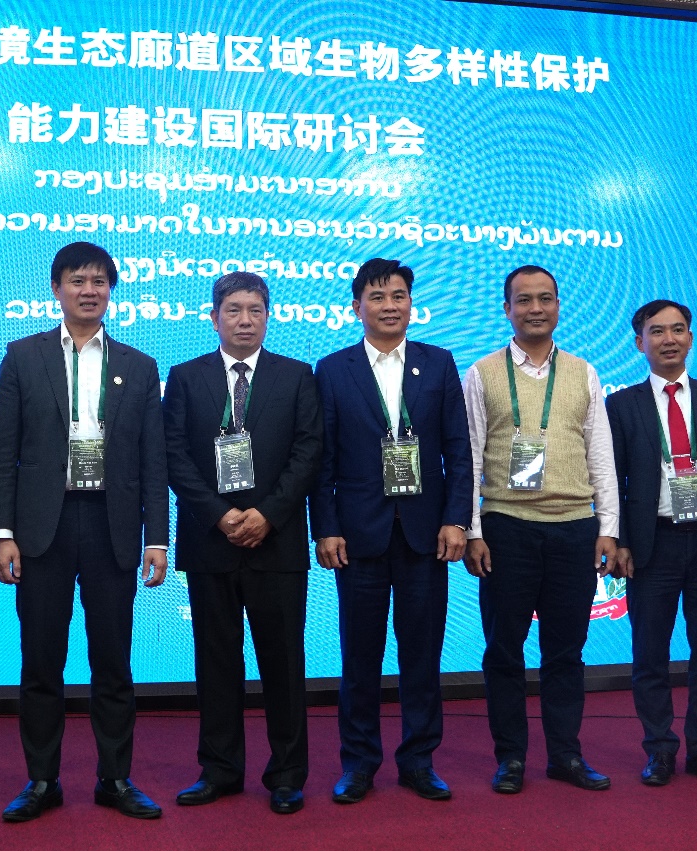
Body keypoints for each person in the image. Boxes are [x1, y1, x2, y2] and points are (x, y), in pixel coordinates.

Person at [0, 241, 169, 822]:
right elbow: (2, 451)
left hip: (112, 526)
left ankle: (114, 778)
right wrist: (3, 533)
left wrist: (157, 538)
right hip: (43, 527)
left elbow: (153, 460)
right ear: (56, 288)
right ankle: (42, 780)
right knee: (41, 660)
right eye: (77, 280)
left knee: (112, 661)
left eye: (98, 281)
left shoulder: (139, 366)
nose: (88, 291)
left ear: (110, 290)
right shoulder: (23, 356)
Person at [311, 258, 473, 804]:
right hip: (358, 537)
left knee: (421, 656)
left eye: (398, 295)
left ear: (411, 303)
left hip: (426, 536)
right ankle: (358, 763)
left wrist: (456, 519)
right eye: (377, 296)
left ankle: (419, 761)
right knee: (359, 658)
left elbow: (458, 450)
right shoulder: (333, 369)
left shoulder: (438, 363)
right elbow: (323, 460)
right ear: (356, 306)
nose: (389, 306)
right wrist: (326, 527)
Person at [163, 271, 322, 815]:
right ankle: (220, 770)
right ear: (214, 318)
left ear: (268, 317)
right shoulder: (186, 377)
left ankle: (287, 774)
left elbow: (308, 452)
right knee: (216, 663)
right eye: (234, 310)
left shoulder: (296, 376)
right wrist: (221, 515)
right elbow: (174, 455)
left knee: (284, 662)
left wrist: (268, 514)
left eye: (255, 310)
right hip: (211, 542)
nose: (245, 320)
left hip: (277, 543)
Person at [462, 265, 621, 794]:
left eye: (546, 299)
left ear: (557, 306)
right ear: (506, 309)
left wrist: (608, 526)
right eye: (524, 300)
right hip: (506, 529)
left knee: (566, 652)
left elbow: (600, 455)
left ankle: (565, 756)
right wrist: (473, 530)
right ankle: (510, 758)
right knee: (503, 650)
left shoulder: (583, 372)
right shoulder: (482, 373)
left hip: (575, 529)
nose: (536, 308)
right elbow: (469, 457)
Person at [606, 299, 697, 787]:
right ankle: (660, 749)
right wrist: (620, 540)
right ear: (639, 343)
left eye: (677, 330)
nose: (668, 339)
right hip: (653, 546)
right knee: (649, 653)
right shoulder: (622, 404)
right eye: (657, 331)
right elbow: (613, 480)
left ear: (690, 338)